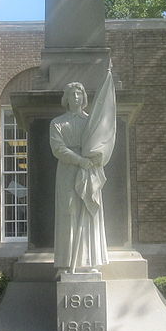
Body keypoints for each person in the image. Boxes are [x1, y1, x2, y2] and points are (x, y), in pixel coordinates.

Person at [50, 74, 116, 273]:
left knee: (89, 213)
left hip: (90, 172)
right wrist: (81, 161)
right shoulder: (57, 123)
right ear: (66, 99)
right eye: (72, 94)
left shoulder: (92, 122)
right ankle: (66, 263)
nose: (76, 97)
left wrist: (96, 158)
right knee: (68, 213)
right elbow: (58, 149)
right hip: (68, 171)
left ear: (84, 98)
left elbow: (102, 141)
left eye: (79, 94)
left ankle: (88, 262)